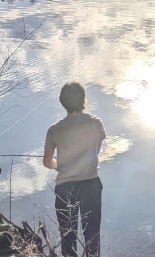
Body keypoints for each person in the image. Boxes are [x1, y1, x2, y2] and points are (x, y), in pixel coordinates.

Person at [43, 81, 106, 257]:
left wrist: (60, 165)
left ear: (62, 102)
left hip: (65, 188)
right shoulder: (96, 123)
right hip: (91, 185)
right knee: (92, 236)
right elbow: (95, 153)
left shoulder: (54, 130)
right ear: (83, 99)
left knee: (68, 238)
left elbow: (48, 162)